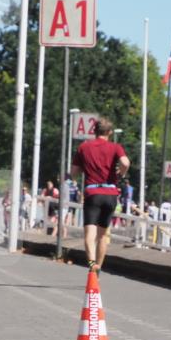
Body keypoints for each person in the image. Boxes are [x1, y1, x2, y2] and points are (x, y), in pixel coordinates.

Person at [70, 117, 130, 273]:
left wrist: (84, 168)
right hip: (110, 194)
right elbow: (125, 163)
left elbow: (73, 173)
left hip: (93, 193)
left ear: (94, 131)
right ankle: (99, 268)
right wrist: (121, 173)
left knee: (90, 234)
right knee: (103, 235)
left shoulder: (84, 147)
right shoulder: (115, 147)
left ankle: (91, 265)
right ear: (109, 132)